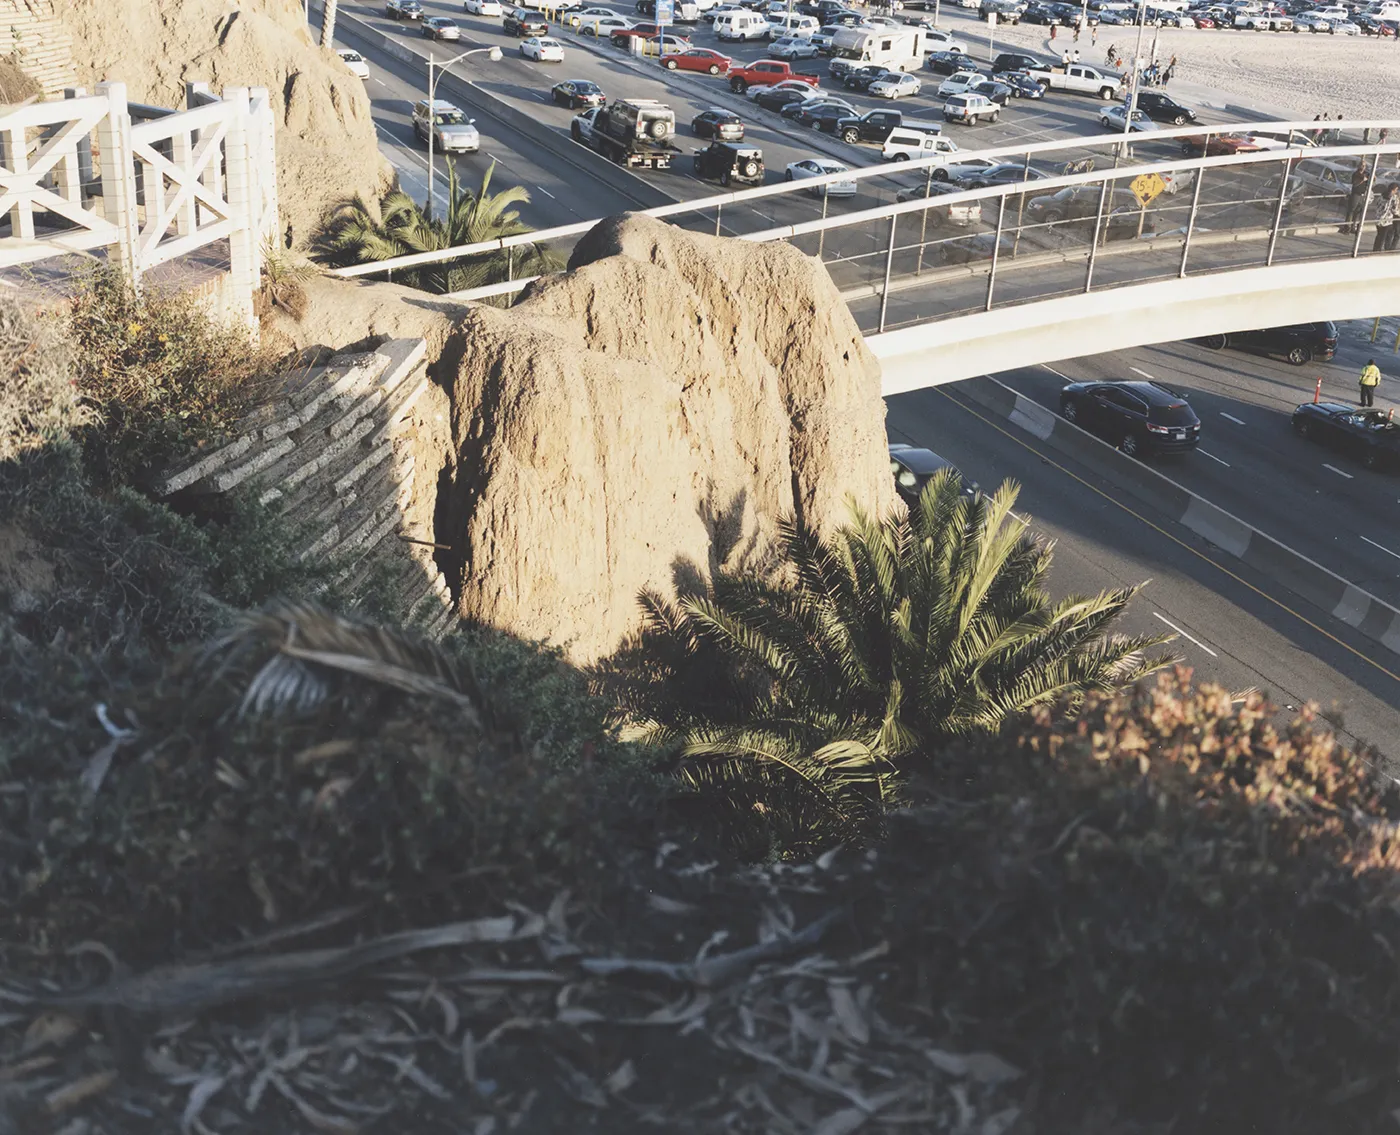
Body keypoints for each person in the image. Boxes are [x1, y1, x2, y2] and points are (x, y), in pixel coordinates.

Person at [1347, 163, 1371, 232]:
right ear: (1359, 166)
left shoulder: (1366, 174)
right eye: (1362, 165)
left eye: (1364, 166)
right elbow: (1354, 184)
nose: (1363, 167)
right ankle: (1347, 227)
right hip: (1356, 194)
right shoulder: (1356, 174)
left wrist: (1372, 177)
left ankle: (1354, 227)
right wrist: (1362, 180)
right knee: (1352, 210)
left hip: (1363, 195)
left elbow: (1371, 182)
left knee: (1358, 212)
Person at [1377, 185, 1400, 252]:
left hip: (1382, 217)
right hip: (1391, 217)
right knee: (1391, 233)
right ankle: (1388, 248)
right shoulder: (1394, 196)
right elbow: (1395, 208)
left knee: (1382, 235)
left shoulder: (1383, 195)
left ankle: (1381, 249)